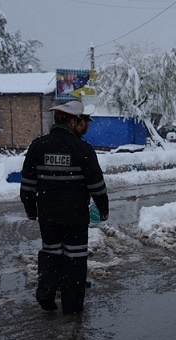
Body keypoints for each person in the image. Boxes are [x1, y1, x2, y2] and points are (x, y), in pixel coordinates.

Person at [20, 100, 109, 315]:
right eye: (83, 121)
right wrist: (103, 208)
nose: (86, 125)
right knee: (75, 258)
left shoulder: (38, 146)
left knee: (50, 252)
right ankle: (72, 304)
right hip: (75, 218)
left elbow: (27, 185)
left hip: (48, 215)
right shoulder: (82, 149)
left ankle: (46, 292)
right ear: (71, 121)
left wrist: (31, 209)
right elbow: (96, 185)